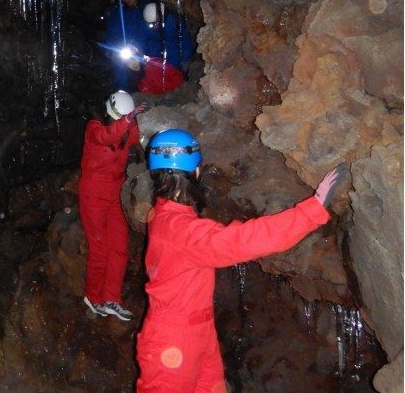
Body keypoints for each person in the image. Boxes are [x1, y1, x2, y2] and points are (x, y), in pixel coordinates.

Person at [135, 128, 348, 392]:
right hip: (174, 339)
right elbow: (242, 240)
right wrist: (311, 210)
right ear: (197, 172)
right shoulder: (181, 230)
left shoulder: (167, 217)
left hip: (193, 332)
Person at [80, 90, 149, 321]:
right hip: (93, 193)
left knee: (119, 248)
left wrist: (136, 121)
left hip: (115, 193)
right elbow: (106, 137)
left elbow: (136, 138)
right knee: (99, 250)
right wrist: (127, 121)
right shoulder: (94, 128)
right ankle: (93, 297)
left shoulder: (126, 131)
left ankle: (112, 299)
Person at [135, 0, 193, 95]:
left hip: (174, 58)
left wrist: (185, 59)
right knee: (153, 81)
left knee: (175, 83)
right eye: (151, 24)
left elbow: (185, 39)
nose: (154, 26)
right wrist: (137, 55)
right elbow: (141, 41)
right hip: (155, 59)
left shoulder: (174, 21)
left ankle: (173, 96)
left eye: (155, 23)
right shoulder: (145, 24)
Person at [105, 0, 144, 91]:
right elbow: (112, 32)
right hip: (122, 51)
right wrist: (111, 50)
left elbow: (147, 33)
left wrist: (139, 47)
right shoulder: (118, 13)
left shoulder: (143, 11)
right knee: (122, 78)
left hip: (140, 52)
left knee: (141, 79)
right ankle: (123, 101)